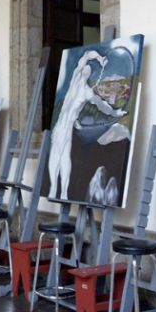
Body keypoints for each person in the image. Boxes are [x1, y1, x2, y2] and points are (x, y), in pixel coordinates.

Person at [48, 50, 127, 200]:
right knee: (56, 156)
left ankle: (63, 192)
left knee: (63, 157)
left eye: (87, 71)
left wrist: (116, 113)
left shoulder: (86, 92)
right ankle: (55, 189)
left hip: (66, 129)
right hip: (59, 127)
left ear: (88, 75)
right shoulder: (74, 81)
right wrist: (99, 58)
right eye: (84, 69)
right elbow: (86, 56)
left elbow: (102, 105)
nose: (85, 71)